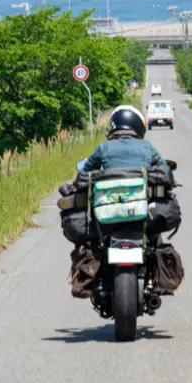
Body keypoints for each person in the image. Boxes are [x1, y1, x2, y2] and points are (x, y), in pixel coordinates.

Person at [67, 104, 181, 296]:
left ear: (113, 126)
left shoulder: (104, 147)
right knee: (154, 238)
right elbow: (165, 172)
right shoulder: (146, 147)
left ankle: (93, 278)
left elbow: (82, 175)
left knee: (94, 241)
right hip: (140, 214)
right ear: (138, 127)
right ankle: (159, 280)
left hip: (107, 215)